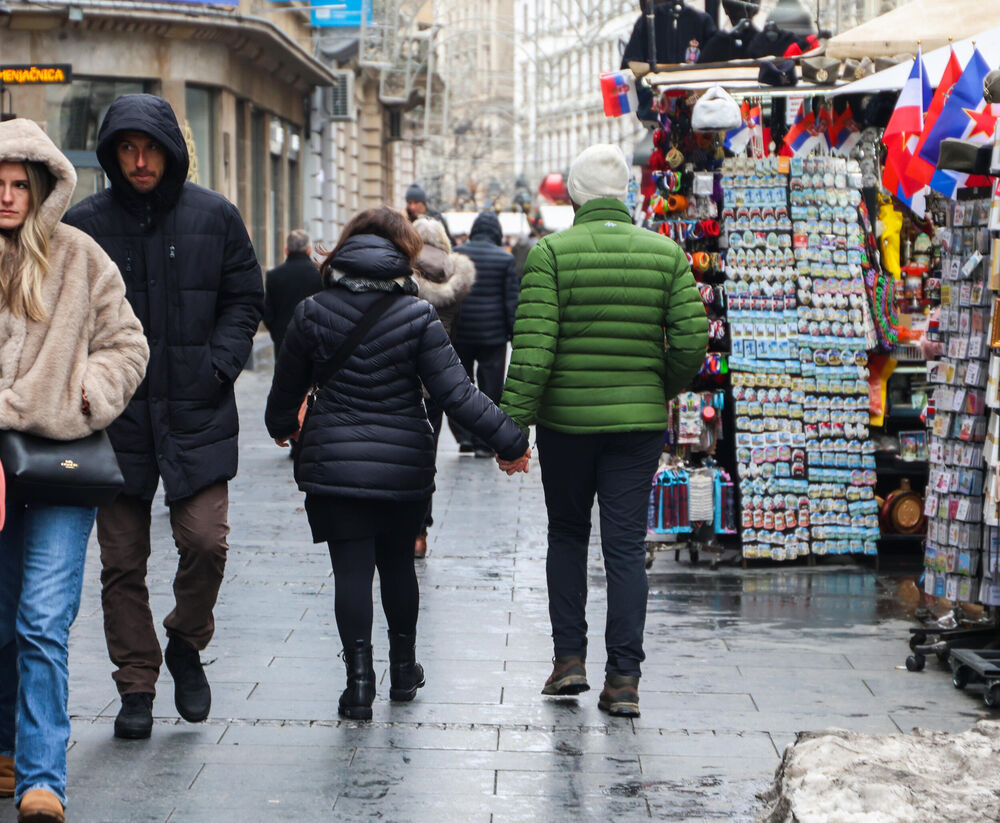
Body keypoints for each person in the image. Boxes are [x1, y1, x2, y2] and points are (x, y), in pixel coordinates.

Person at [264, 207, 527, 721]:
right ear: (401, 254)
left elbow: (284, 395)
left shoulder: (312, 312)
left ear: (345, 249)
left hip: (334, 469)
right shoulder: (418, 316)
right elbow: (458, 394)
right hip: (403, 467)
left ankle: (358, 686)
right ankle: (403, 670)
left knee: (351, 574)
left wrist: (283, 426)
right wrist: (510, 440)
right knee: (398, 568)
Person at [64, 94, 264, 741]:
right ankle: (137, 684)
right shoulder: (84, 224)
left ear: (172, 149)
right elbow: (61, 313)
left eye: (149, 147)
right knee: (121, 561)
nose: (139, 160)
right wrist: (87, 385)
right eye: (126, 148)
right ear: (111, 155)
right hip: (114, 422)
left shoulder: (215, 216)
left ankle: (185, 639)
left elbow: (244, 295)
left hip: (195, 411)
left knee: (206, 540)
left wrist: (218, 366)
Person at [498, 144, 708, 718]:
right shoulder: (666, 255)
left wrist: (511, 429)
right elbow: (692, 343)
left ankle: (569, 661)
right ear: (625, 195)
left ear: (573, 195)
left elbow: (534, 354)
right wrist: (656, 385)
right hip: (637, 428)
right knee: (623, 545)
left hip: (566, 425)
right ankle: (624, 681)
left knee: (566, 534)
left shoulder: (550, 256)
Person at [0, 118, 148, 823]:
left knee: (41, 620)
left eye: (17, 184)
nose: (6, 196)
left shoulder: (80, 257)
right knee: (1, 617)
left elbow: (127, 344)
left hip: (60, 463)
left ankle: (42, 780)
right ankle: (5, 744)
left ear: (41, 186)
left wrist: (86, 393)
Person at [410, 216, 477, 558]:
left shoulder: (401, 269)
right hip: (434, 382)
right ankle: (420, 532)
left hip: (401, 379)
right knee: (427, 453)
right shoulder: (456, 275)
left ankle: (399, 527)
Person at [451, 210, 520, 457]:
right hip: (493, 335)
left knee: (460, 385)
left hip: (462, 333)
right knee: (491, 388)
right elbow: (510, 301)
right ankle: (485, 441)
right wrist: (514, 333)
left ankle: (465, 437)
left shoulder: (458, 254)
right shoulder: (504, 259)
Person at [262, 229, 322, 357]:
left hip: (284, 338)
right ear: (309, 250)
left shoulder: (274, 275)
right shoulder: (320, 274)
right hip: (314, 337)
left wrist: (277, 333)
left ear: (286, 250)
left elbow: (267, 313)